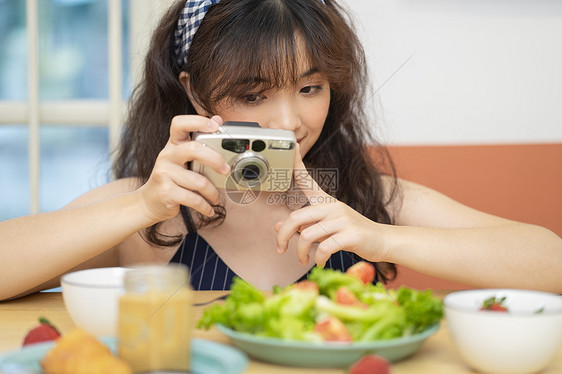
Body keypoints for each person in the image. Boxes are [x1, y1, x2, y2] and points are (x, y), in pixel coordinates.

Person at [1, 0, 561, 301]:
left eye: (310, 88)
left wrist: (380, 237)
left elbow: (550, 263)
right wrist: (140, 207)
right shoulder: (147, 211)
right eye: (254, 93)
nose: (290, 121)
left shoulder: (363, 197)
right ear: (195, 89)